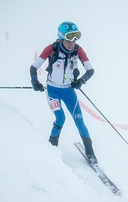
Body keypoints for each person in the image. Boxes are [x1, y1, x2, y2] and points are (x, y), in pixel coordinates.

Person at [29, 21, 97, 164]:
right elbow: (33, 68)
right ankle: (51, 146)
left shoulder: (78, 50)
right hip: (53, 90)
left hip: (68, 91)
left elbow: (90, 70)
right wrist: (35, 82)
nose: (71, 44)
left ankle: (90, 152)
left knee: (80, 121)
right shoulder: (52, 49)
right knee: (60, 119)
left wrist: (80, 81)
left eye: (74, 40)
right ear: (60, 38)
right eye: (68, 40)